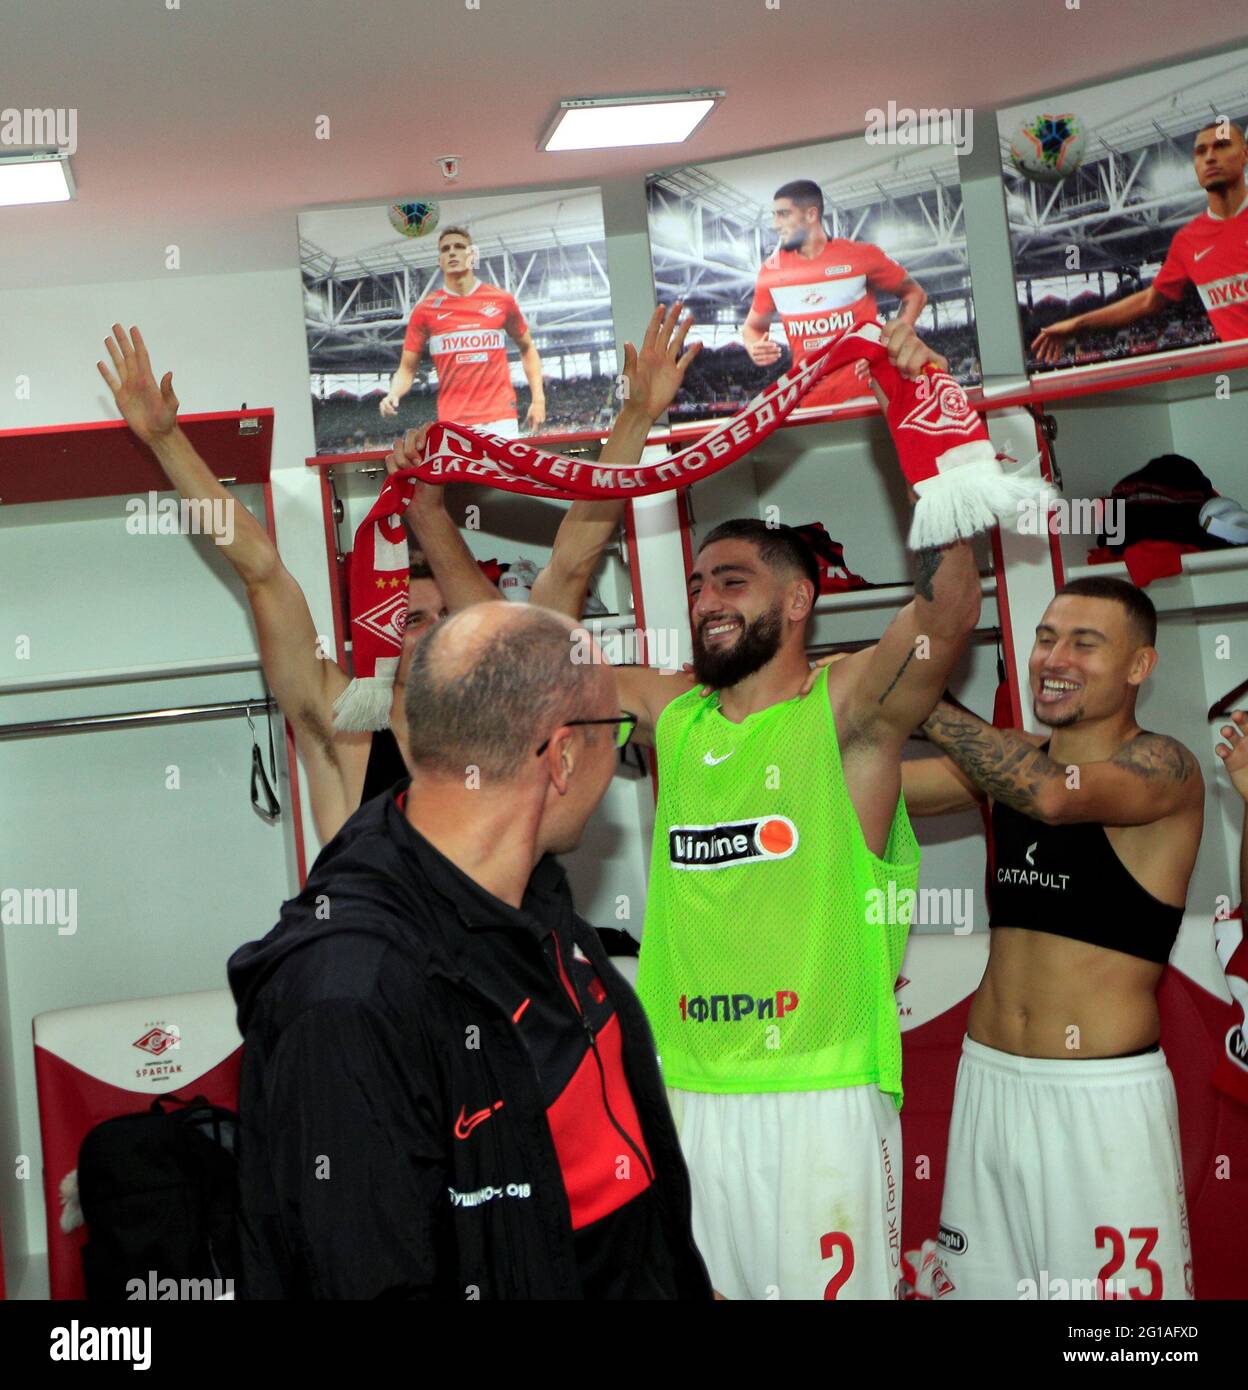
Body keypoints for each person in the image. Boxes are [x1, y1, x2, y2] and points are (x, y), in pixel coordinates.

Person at [398, 318, 975, 1300]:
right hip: (683, 1098)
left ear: (800, 604)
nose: (707, 596)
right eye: (701, 579)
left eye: (734, 581)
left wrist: (924, 424)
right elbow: (512, 647)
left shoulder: (846, 713)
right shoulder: (671, 711)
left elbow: (947, 613)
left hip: (817, 1100)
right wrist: (427, 508)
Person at [228, 602, 712, 1299]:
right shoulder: (349, 999)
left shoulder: (533, 899)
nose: (623, 752)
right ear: (566, 755)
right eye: (619, 732)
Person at [97, 317, 686, 844]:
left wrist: (635, 416)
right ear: (378, 628)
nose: (432, 632)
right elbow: (262, 571)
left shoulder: (515, 705)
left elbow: (573, 562)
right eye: (411, 619)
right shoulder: (344, 726)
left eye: (444, 619)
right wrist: (166, 441)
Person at [903, 576, 1203, 1299]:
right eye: (1045, 638)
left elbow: (1054, 794)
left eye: (1084, 643)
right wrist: (822, 712)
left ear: (1139, 667)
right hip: (990, 1084)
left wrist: (920, 698)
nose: (1054, 657)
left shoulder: (1164, 766)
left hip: (1099, 1100)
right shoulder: (1007, 761)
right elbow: (871, 794)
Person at [1033, 121, 1248, 363]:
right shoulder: (1188, 241)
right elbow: (1148, 301)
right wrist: (1077, 324)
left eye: (1221, 146)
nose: (1210, 157)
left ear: (1244, 155)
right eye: (1201, 151)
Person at [743, 178, 928, 409]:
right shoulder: (771, 271)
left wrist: (891, 344)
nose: (775, 224)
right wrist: (753, 346)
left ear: (811, 215)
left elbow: (914, 294)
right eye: (774, 215)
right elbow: (752, 327)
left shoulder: (861, 256)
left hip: (871, 395)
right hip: (810, 402)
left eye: (783, 214)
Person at [380, 225, 546, 436]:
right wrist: (393, 393)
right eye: (445, 249)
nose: (451, 252)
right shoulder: (425, 310)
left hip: (501, 420)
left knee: (503, 471)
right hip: (454, 424)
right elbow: (407, 369)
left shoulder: (502, 301)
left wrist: (538, 399)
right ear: (440, 260)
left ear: (471, 255)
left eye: (459, 247)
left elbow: (528, 348)